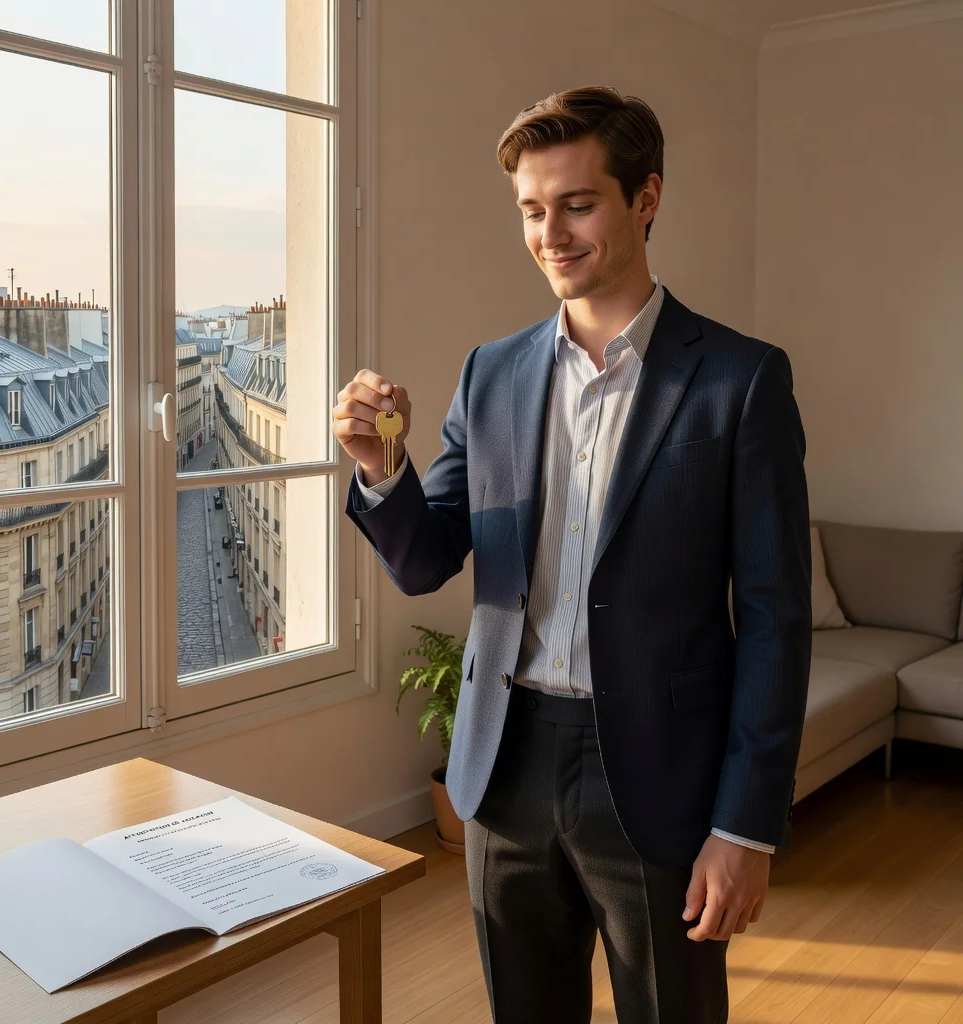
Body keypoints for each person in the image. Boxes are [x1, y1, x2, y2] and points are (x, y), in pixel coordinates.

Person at [332, 86, 811, 1024]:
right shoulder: (492, 371)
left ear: (646, 198)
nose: (550, 232)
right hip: (502, 763)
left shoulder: (742, 380)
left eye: (577, 203)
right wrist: (383, 468)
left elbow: (774, 620)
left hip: (658, 769)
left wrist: (745, 825)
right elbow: (428, 560)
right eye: (531, 209)